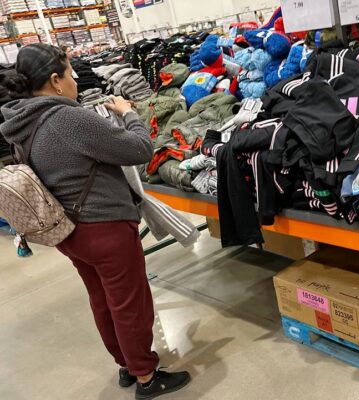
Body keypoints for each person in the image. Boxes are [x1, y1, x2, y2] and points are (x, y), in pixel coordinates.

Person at [0, 43, 191, 399]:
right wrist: (129, 113)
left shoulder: (20, 122)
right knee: (130, 302)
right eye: (71, 74)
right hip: (103, 225)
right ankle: (147, 377)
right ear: (55, 81)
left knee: (102, 299)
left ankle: (127, 364)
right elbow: (138, 150)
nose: (75, 81)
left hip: (67, 230)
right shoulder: (66, 118)